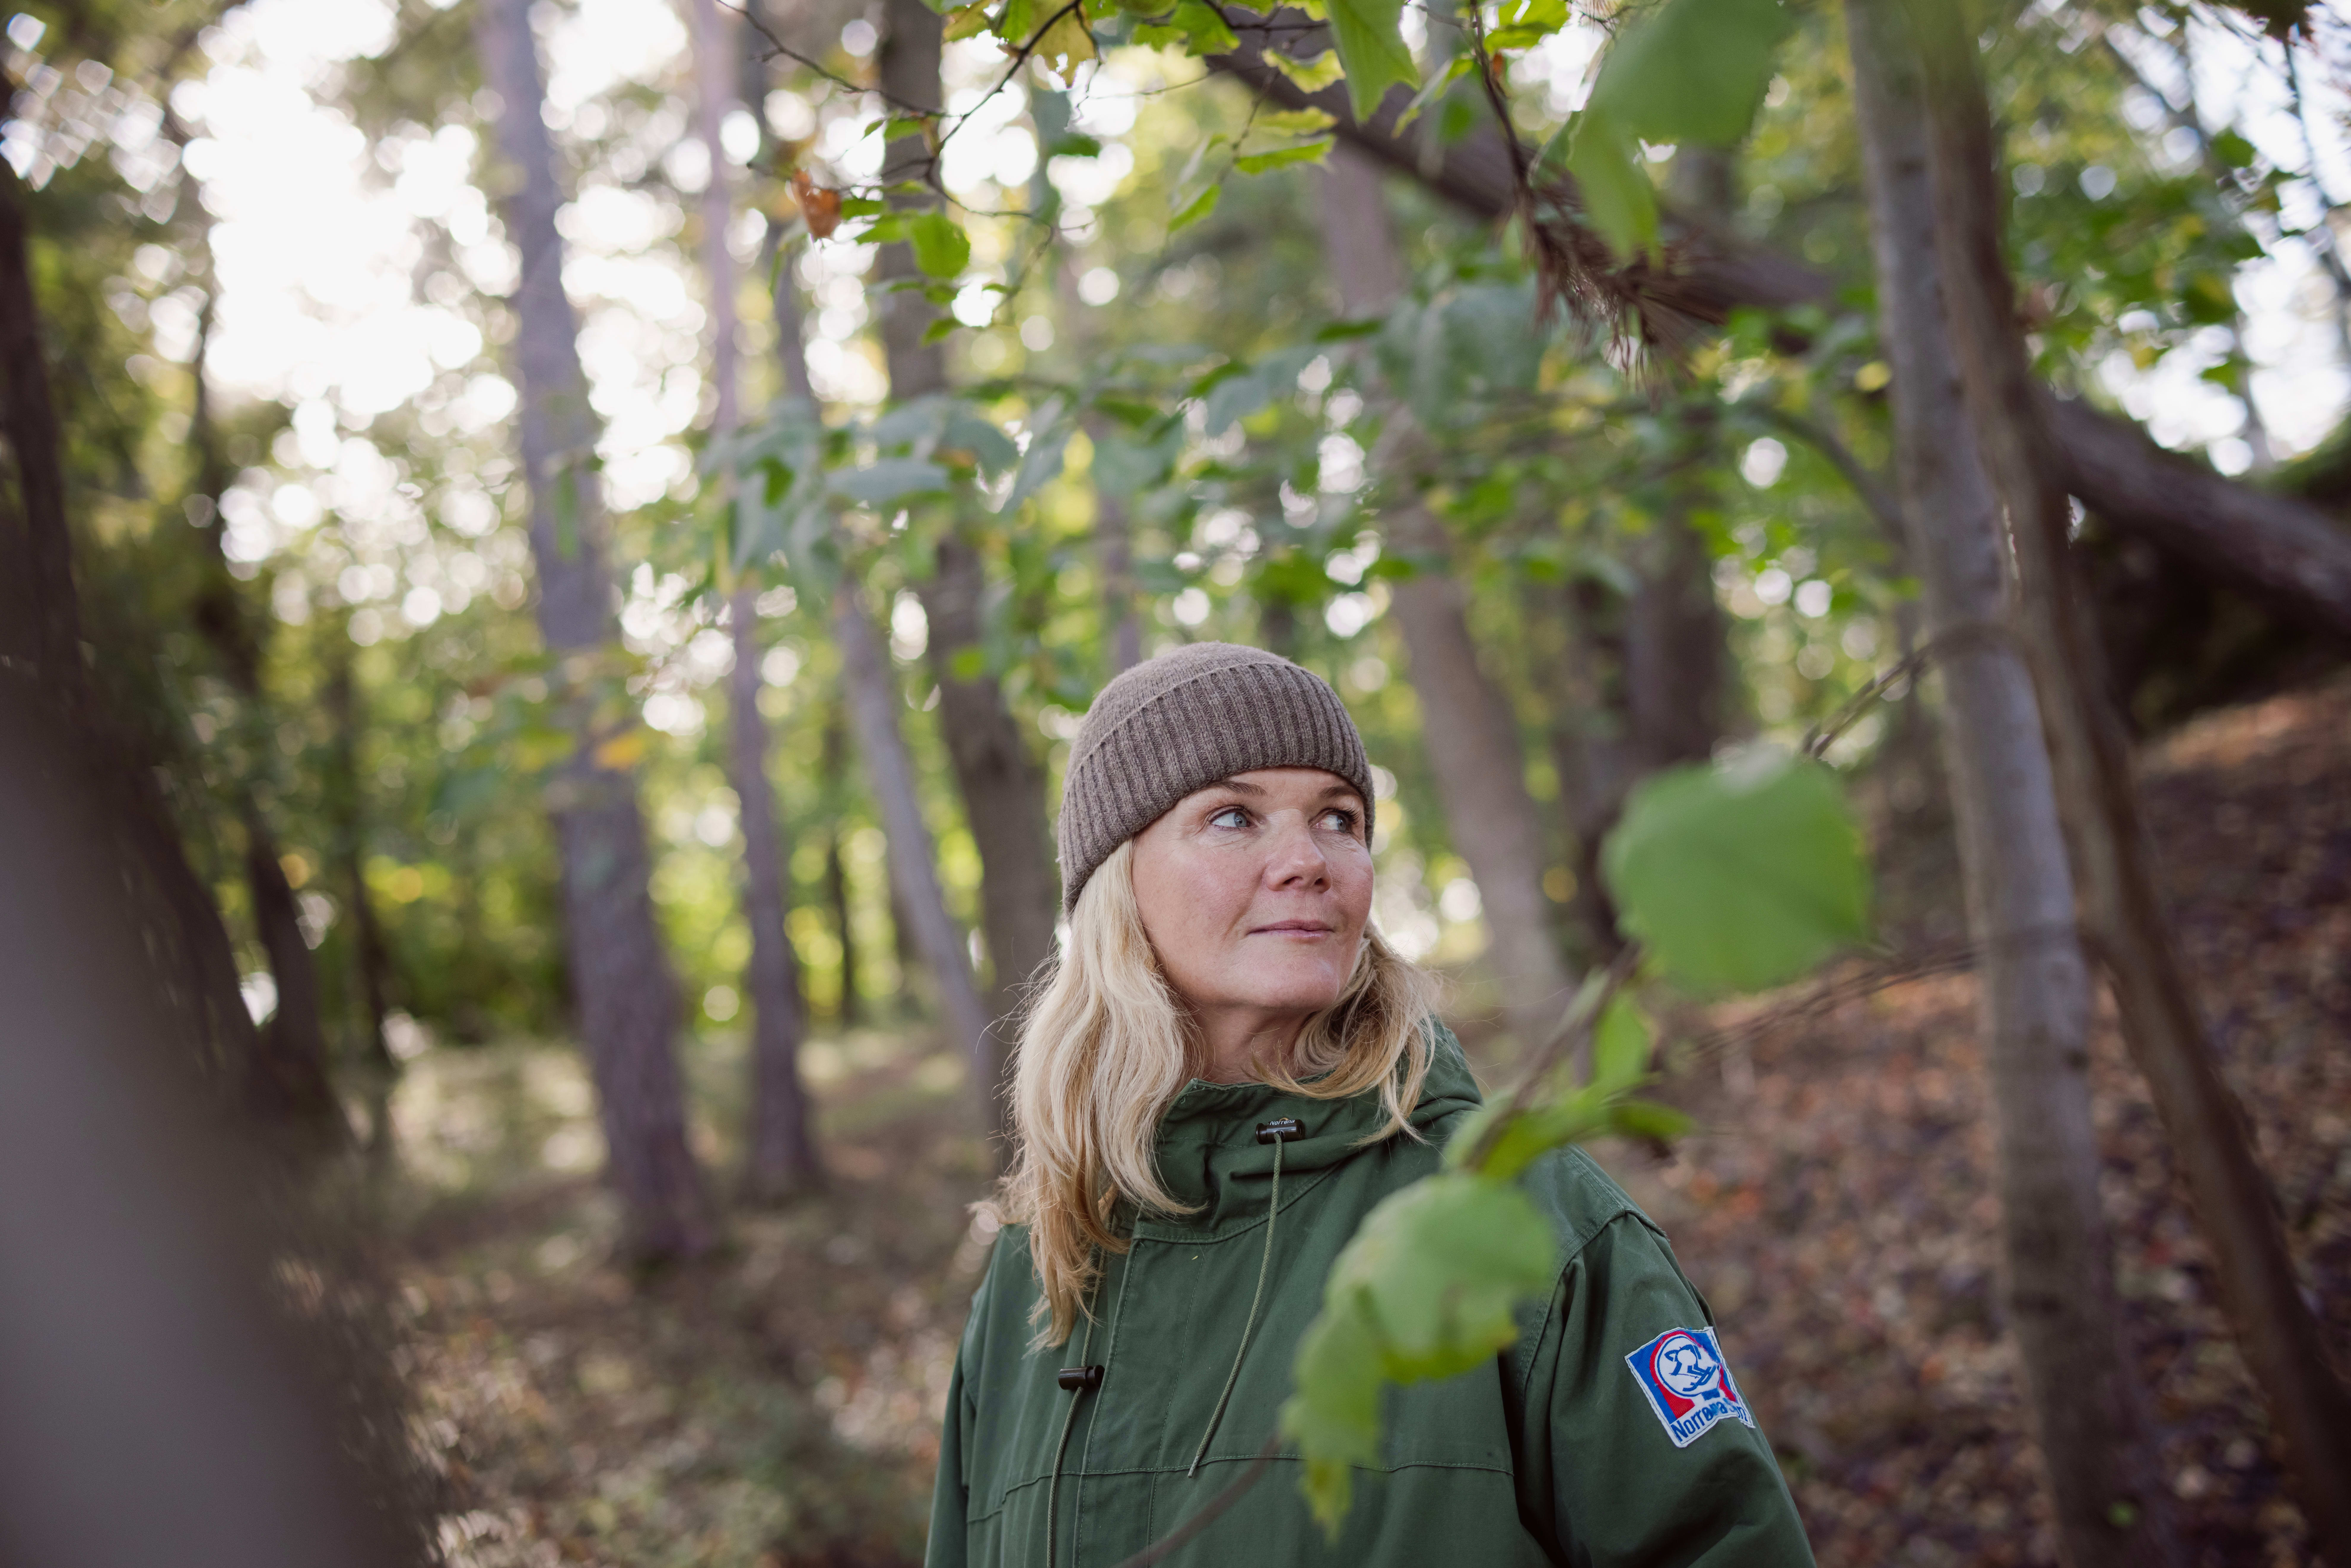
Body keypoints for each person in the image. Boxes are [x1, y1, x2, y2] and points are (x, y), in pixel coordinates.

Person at [924, 643, 1813, 1567]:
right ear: (1118, 882)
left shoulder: (1521, 1218)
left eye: (1338, 819)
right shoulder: (1044, 1262)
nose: (1307, 860)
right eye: (1234, 817)